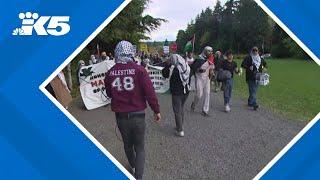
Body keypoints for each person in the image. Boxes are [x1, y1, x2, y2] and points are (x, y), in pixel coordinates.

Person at [104, 41, 161, 179]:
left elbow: (110, 93)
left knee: (128, 145)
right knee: (140, 147)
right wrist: (156, 110)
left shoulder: (110, 73)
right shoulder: (140, 70)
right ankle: (138, 176)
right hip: (138, 115)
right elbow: (150, 92)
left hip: (121, 117)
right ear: (131, 52)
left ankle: (134, 166)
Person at [162, 54, 190, 137]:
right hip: (186, 91)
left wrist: (167, 65)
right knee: (181, 108)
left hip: (177, 92)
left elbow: (165, 75)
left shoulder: (174, 70)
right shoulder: (187, 67)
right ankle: (180, 125)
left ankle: (180, 130)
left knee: (177, 110)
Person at [190, 46, 215, 116]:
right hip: (199, 78)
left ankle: (205, 110)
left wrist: (212, 73)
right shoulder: (199, 58)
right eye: (209, 51)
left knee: (207, 94)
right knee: (199, 95)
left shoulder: (210, 59)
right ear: (205, 51)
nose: (210, 53)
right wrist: (199, 70)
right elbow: (194, 68)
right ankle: (194, 104)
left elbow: (211, 68)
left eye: (211, 51)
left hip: (207, 78)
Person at [241, 46, 267, 110]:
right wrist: (248, 67)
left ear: (258, 51)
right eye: (254, 50)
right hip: (250, 76)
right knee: (253, 90)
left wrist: (264, 69)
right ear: (252, 51)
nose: (255, 52)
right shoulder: (248, 58)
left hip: (258, 75)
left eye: (256, 50)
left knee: (254, 90)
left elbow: (265, 65)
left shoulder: (260, 58)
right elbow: (243, 65)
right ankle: (254, 103)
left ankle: (250, 102)